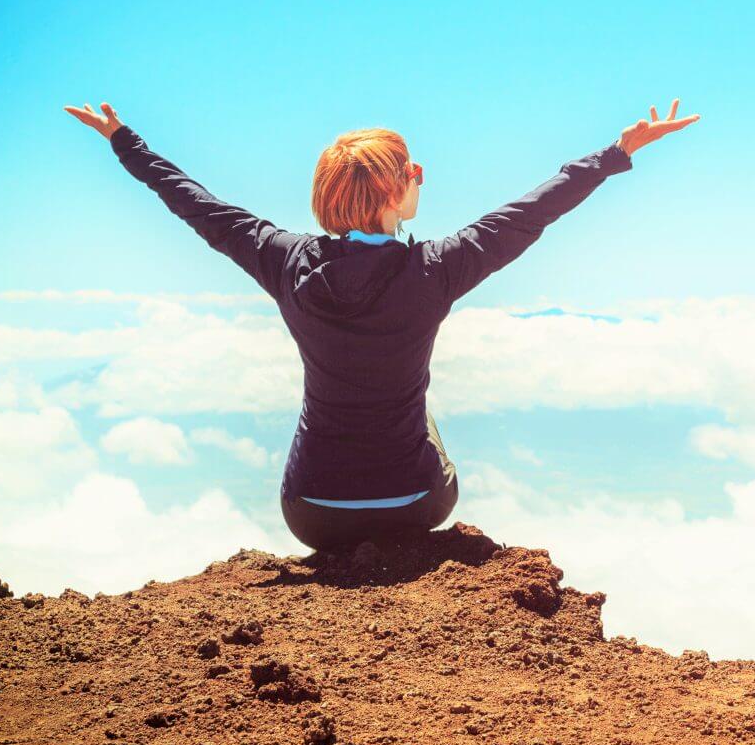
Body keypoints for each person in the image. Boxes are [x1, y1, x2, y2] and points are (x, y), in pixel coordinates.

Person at [63, 99, 702, 552]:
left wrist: (125, 139)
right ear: (396, 192)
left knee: (329, 403)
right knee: (416, 407)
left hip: (311, 514)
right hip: (416, 506)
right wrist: (617, 153)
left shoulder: (281, 260)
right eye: (412, 172)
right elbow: (532, 213)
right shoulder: (440, 269)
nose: (419, 178)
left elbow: (192, 201)